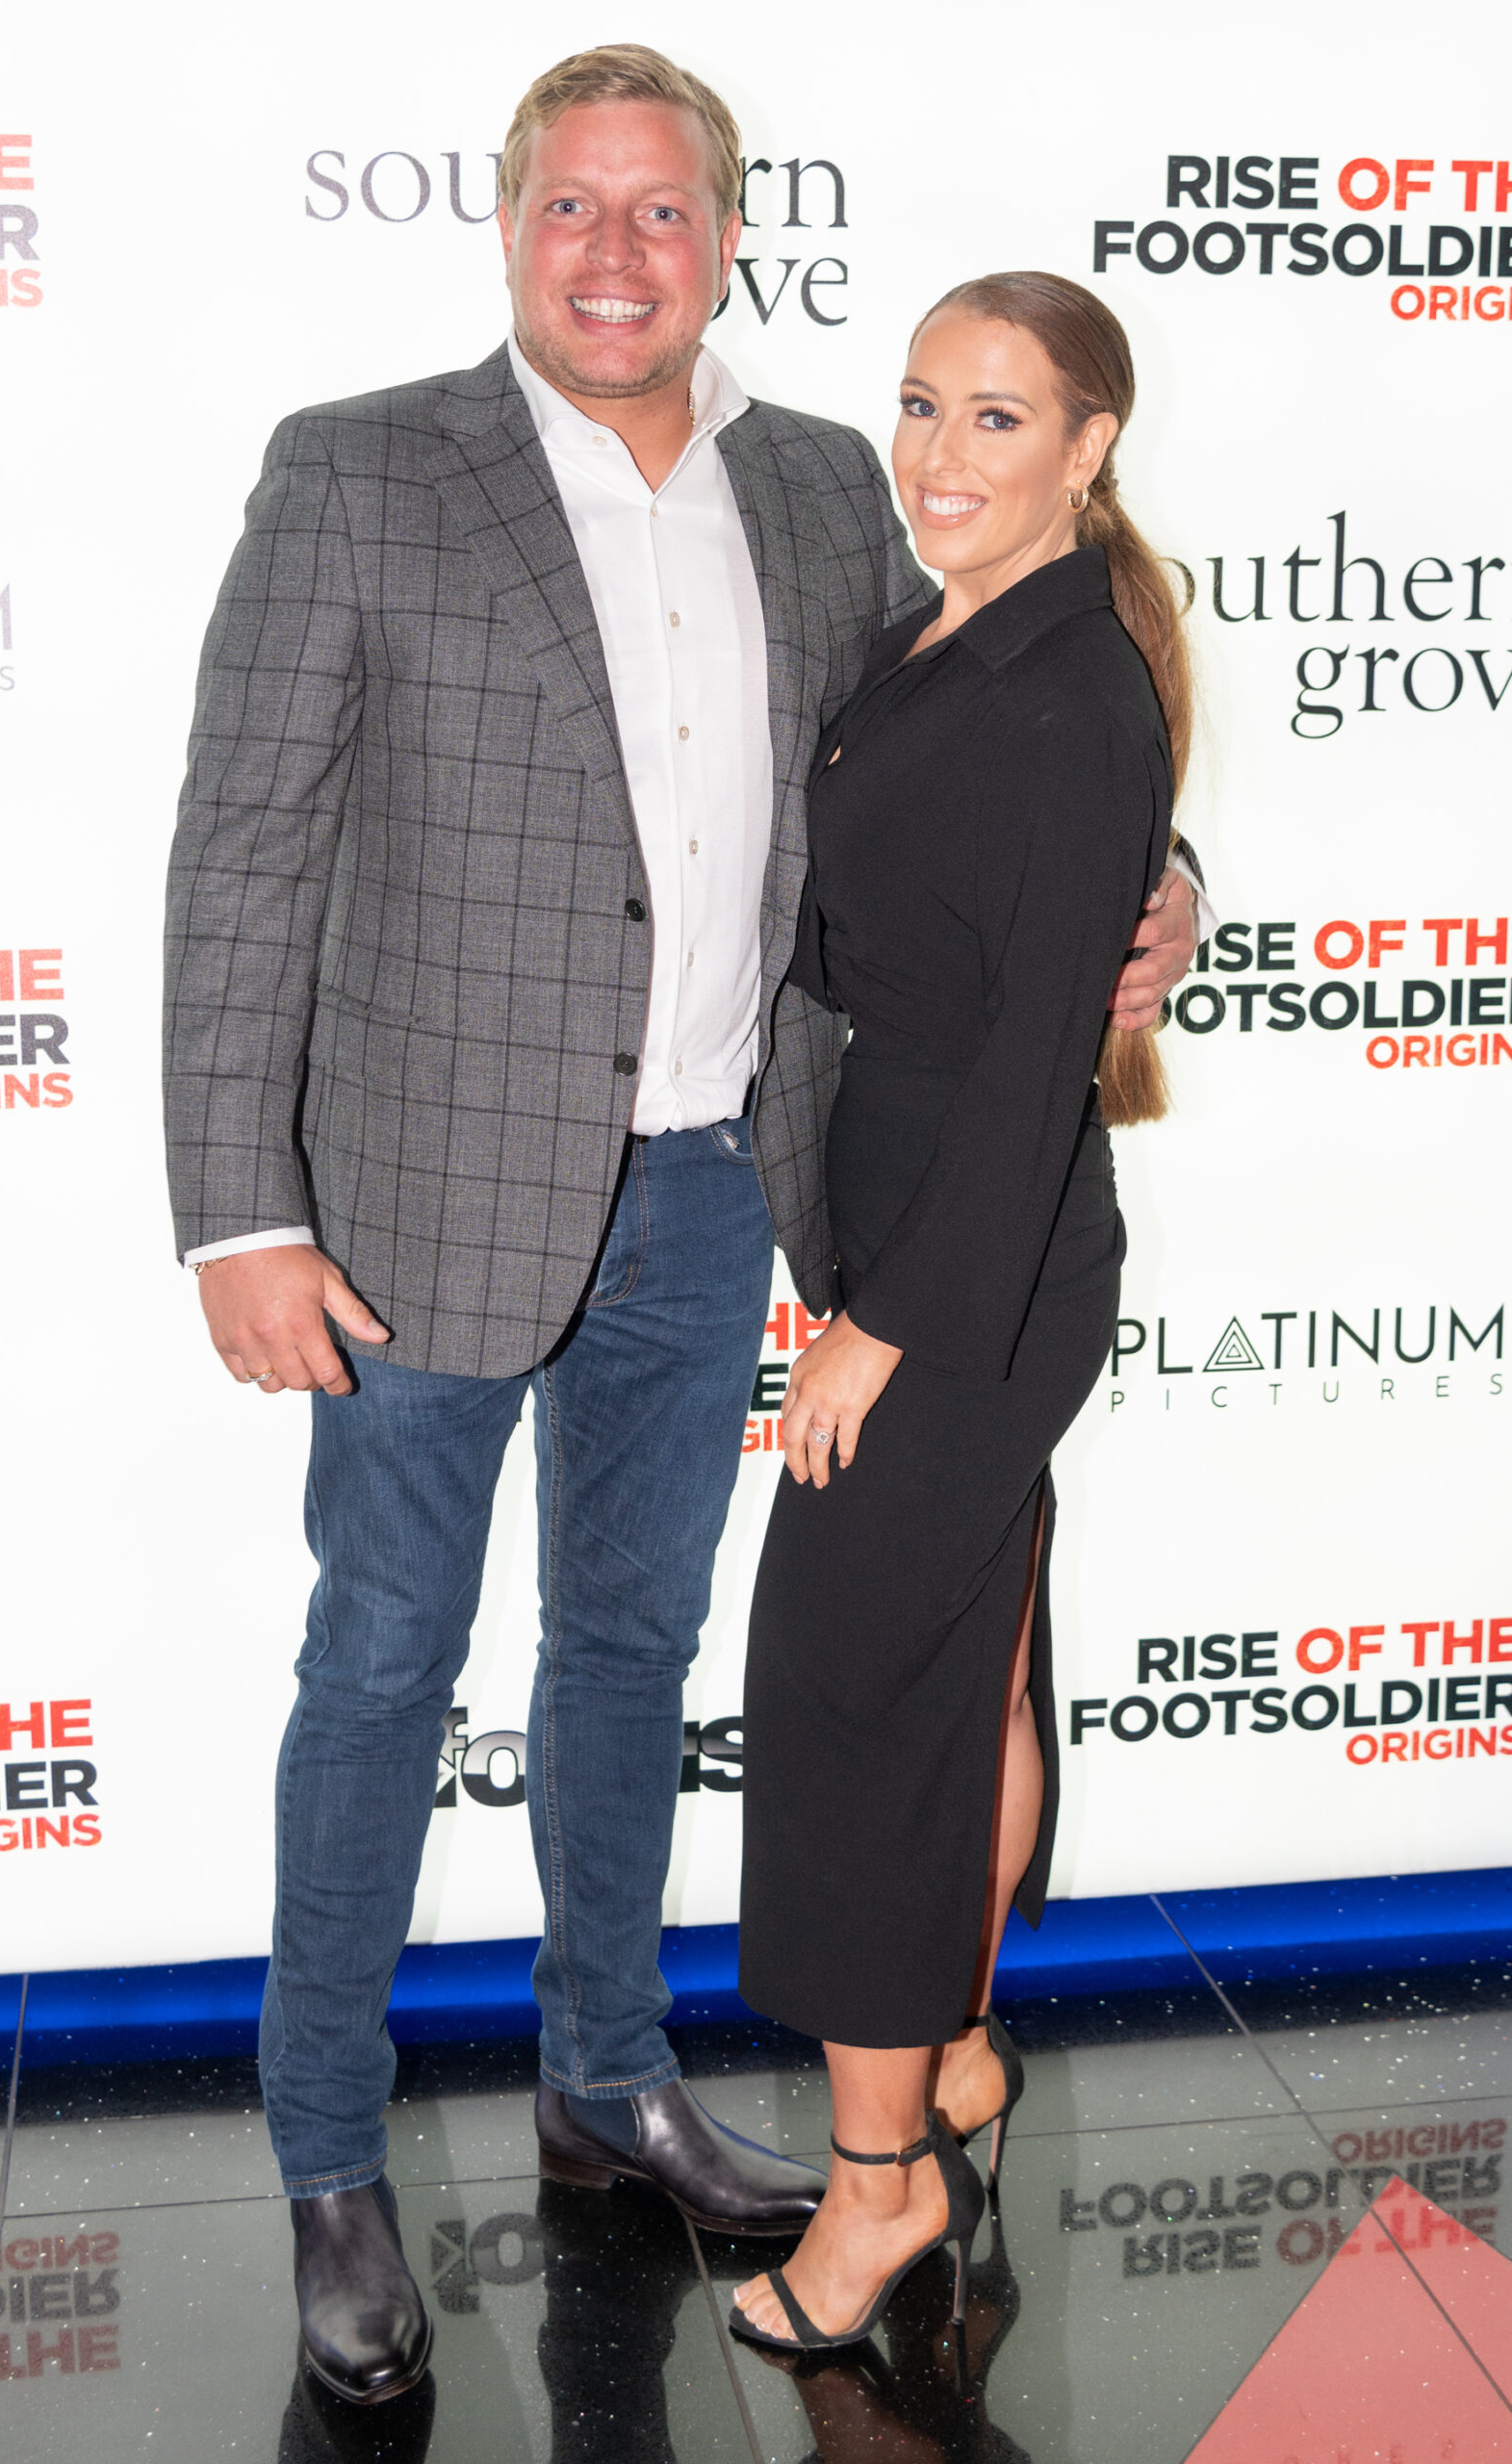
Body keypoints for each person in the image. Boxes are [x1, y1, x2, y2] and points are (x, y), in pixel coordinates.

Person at [163, 41, 1201, 2403]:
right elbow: (239, 861)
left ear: (731, 234)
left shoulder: (832, 484)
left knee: (629, 1657)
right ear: (509, 222)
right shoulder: (358, 472)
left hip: (732, 1182)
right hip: (415, 1209)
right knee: (380, 1673)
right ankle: (330, 2150)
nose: (617, 251)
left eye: (664, 212)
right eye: (573, 208)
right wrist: (241, 1200)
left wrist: (1166, 899)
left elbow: (987, 755)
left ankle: (607, 2066)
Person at [732, 273, 1189, 2352]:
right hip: (909, 1213)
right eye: (922, 405)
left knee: (851, 1695)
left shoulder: (1068, 681)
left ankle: (882, 2176)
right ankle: (959, 2047)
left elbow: (1028, 1066)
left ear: (1089, 446)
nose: (938, 456)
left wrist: (880, 1323)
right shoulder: (953, 626)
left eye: (997, 420)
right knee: (962, 1661)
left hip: (968, 1257)